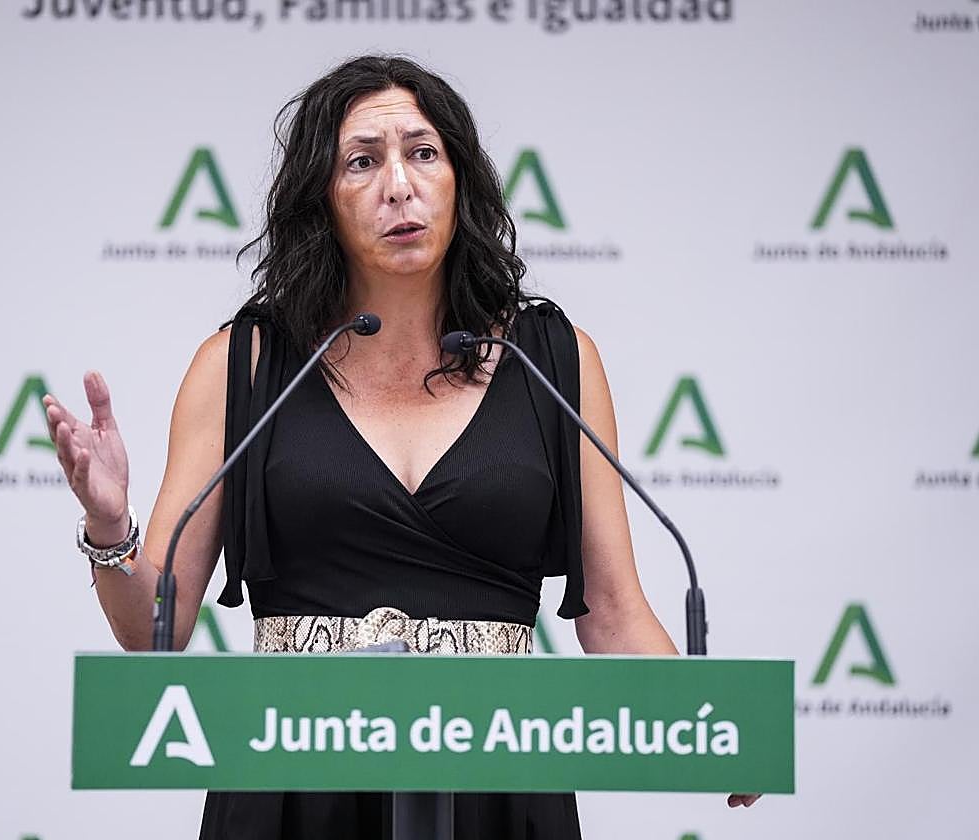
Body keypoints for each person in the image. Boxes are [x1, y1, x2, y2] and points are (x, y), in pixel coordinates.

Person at [43, 54, 759, 839]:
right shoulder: (245, 365)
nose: (398, 185)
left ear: (461, 182)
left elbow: (615, 614)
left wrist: (707, 726)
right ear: (322, 198)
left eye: (423, 153)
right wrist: (109, 526)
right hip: (294, 784)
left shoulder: (552, 359)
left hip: (495, 776)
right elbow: (156, 629)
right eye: (362, 161)